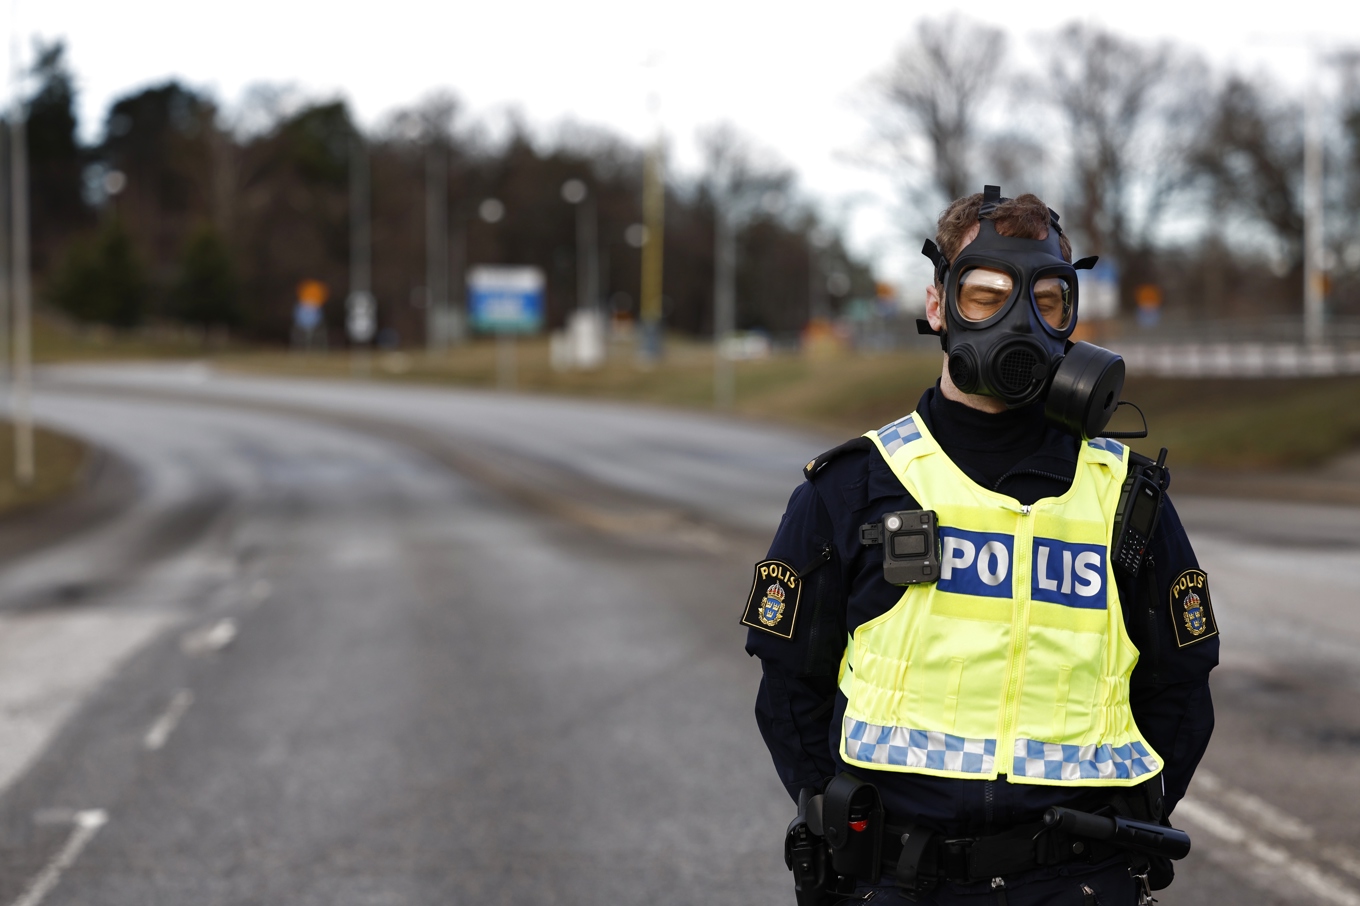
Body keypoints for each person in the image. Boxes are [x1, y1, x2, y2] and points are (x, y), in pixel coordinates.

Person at [743, 188, 1218, 905]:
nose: (1021, 320)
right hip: (899, 881)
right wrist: (840, 828)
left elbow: (1180, 695)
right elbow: (789, 689)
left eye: (1048, 300)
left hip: (1077, 883)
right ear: (938, 305)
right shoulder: (854, 488)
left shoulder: (1129, 499)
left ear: (1071, 318)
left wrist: (1116, 848)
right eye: (987, 294)